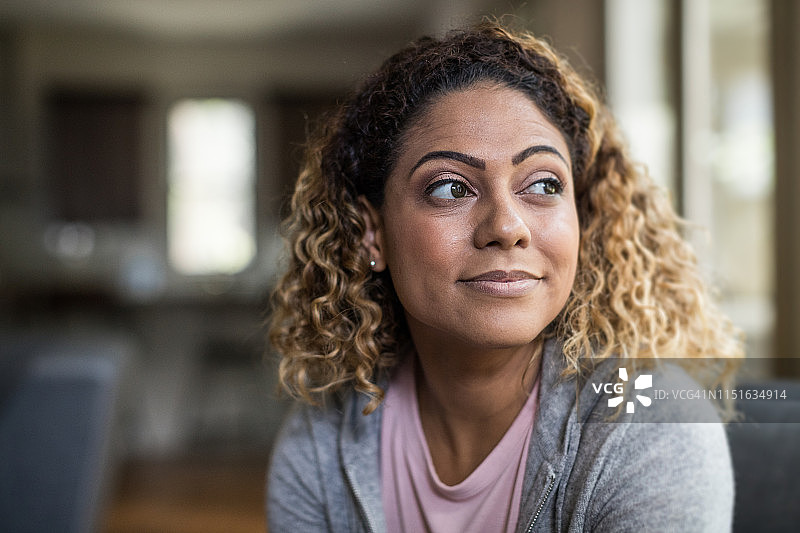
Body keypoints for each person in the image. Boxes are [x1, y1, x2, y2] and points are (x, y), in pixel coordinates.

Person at [266, 21, 742, 532]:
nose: (507, 227)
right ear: (372, 233)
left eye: (542, 184)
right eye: (450, 189)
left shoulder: (651, 426)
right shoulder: (323, 443)